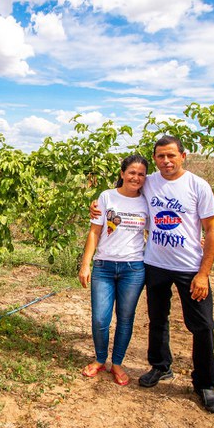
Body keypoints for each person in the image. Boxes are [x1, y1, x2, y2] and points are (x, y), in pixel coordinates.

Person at [90, 135, 214, 412]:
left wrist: (204, 273)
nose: (166, 161)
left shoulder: (198, 186)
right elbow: (124, 190)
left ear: (183, 156)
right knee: (157, 319)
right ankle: (160, 366)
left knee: (202, 326)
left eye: (171, 155)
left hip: (189, 267)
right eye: (161, 156)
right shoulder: (149, 181)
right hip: (155, 264)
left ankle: (205, 384)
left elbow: (212, 230)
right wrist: (95, 204)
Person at [78, 155, 149, 386]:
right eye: (131, 172)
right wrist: (85, 263)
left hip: (133, 268)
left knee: (125, 318)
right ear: (122, 173)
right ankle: (100, 359)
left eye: (140, 174)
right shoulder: (107, 196)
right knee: (100, 318)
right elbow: (95, 232)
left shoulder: (147, 201)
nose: (135, 177)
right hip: (104, 266)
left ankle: (117, 363)